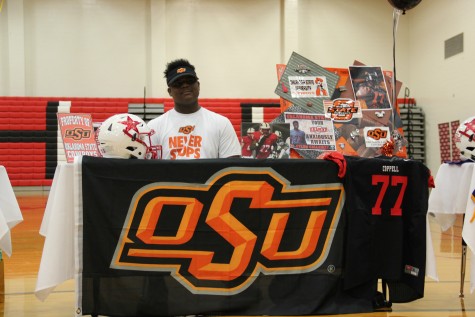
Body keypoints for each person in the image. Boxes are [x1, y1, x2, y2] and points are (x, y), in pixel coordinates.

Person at [147, 59, 241, 159]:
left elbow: (232, 168)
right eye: (178, 83)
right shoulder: (154, 127)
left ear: (198, 85)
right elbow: (147, 169)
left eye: (190, 81)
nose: (185, 85)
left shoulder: (221, 123)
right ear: (170, 91)